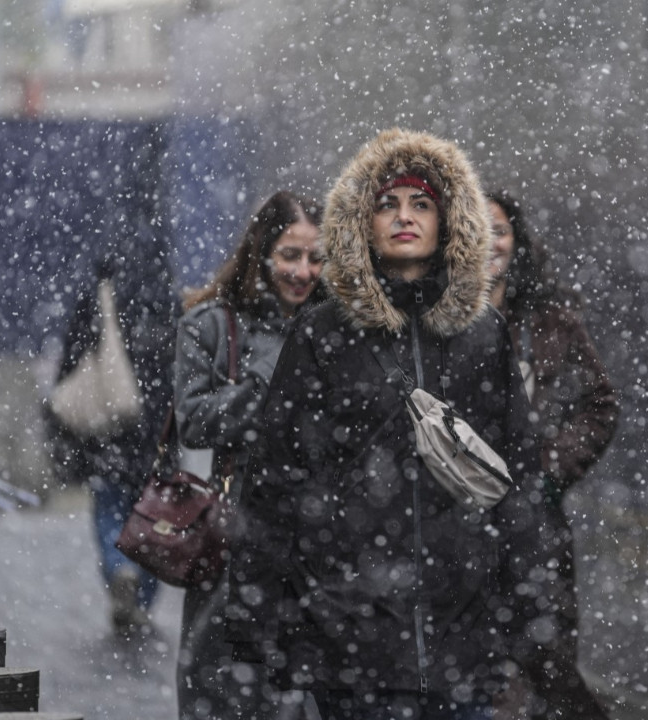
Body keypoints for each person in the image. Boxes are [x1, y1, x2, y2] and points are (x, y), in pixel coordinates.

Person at [227, 128, 557, 720]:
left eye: (421, 203)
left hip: (464, 635)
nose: (404, 216)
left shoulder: (483, 334)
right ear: (363, 221)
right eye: (388, 203)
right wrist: (261, 620)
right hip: (350, 639)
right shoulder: (322, 333)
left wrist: (528, 612)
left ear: (448, 220)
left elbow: (519, 478)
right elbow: (276, 479)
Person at [174, 190, 324, 720]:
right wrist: (268, 378)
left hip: (320, 539)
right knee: (221, 686)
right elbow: (194, 422)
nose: (302, 272)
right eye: (289, 255)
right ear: (262, 253)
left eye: (316, 258)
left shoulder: (337, 327)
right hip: (235, 534)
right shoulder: (213, 325)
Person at [485, 191, 619, 719]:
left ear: (516, 241)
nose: (489, 243)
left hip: (533, 524)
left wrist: (550, 468)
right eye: (475, 230)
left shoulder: (549, 322)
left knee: (548, 666)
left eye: (499, 230)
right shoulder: (433, 319)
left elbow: (599, 404)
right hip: (454, 528)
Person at [52, 215, 178, 636]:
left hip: (108, 424)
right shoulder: (168, 300)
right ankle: (141, 596)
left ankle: (119, 566)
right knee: (155, 517)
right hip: (157, 428)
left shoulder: (98, 295)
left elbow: (72, 357)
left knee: (109, 505)